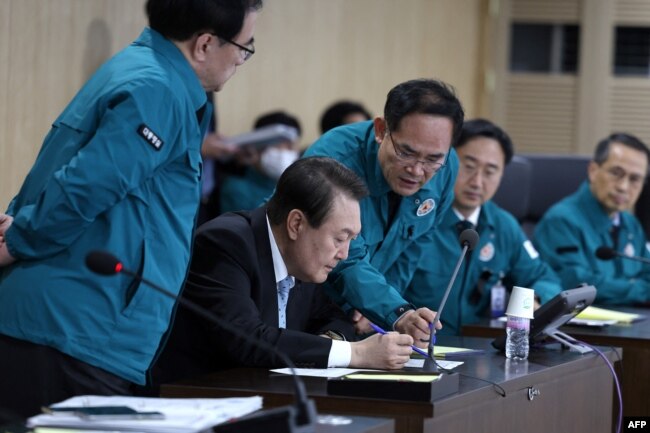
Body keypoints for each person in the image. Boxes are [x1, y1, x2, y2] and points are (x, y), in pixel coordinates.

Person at [0, 0, 262, 421]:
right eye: (244, 47)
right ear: (205, 44)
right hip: (75, 329)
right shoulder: (159, 88)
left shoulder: (140, 71)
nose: (242, 59)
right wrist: (18, 238)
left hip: (68, 325)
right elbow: (87, 184)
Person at [154, 157, 414, 384]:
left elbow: (334, 317)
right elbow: (247, 338)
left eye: (351, 240)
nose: (344, 254)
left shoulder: (304, 260)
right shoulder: (225, 243)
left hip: (264, 398)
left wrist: (327, 341)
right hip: (192, 401)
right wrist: (356, 354)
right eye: (339, 238)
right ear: (296, 223)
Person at [303, 78, 464, 346]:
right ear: (381, 130)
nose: (417, 170)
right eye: (406, 152)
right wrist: (395, 311)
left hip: (361, 308)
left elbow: (413, 246)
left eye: (433, 159)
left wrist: (379, 305)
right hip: (304, 299)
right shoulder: (334, 160)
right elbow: (343, 257)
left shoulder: (447, 166)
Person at [406, 119, 563, 335]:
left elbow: (544, 278)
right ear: (447, 161)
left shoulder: (503, 225)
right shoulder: (416, 216)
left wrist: (534, 300)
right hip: (415, 348)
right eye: (468, 167)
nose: (477, 182)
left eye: (490, 172)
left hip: (479, 351)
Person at [534, 133, 650, 305]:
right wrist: (637, 289)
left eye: (634, 179)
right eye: (616, 173)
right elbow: (574, 284)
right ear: (593, 171)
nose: (623, 187)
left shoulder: (630, 223)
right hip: (583, 327)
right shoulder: (560, 220)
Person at [219, 110, 301, 214]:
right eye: (278, 144)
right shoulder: (236, 189)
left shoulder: (297, 188)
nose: (286, 152)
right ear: (257, 144)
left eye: (291, 146)